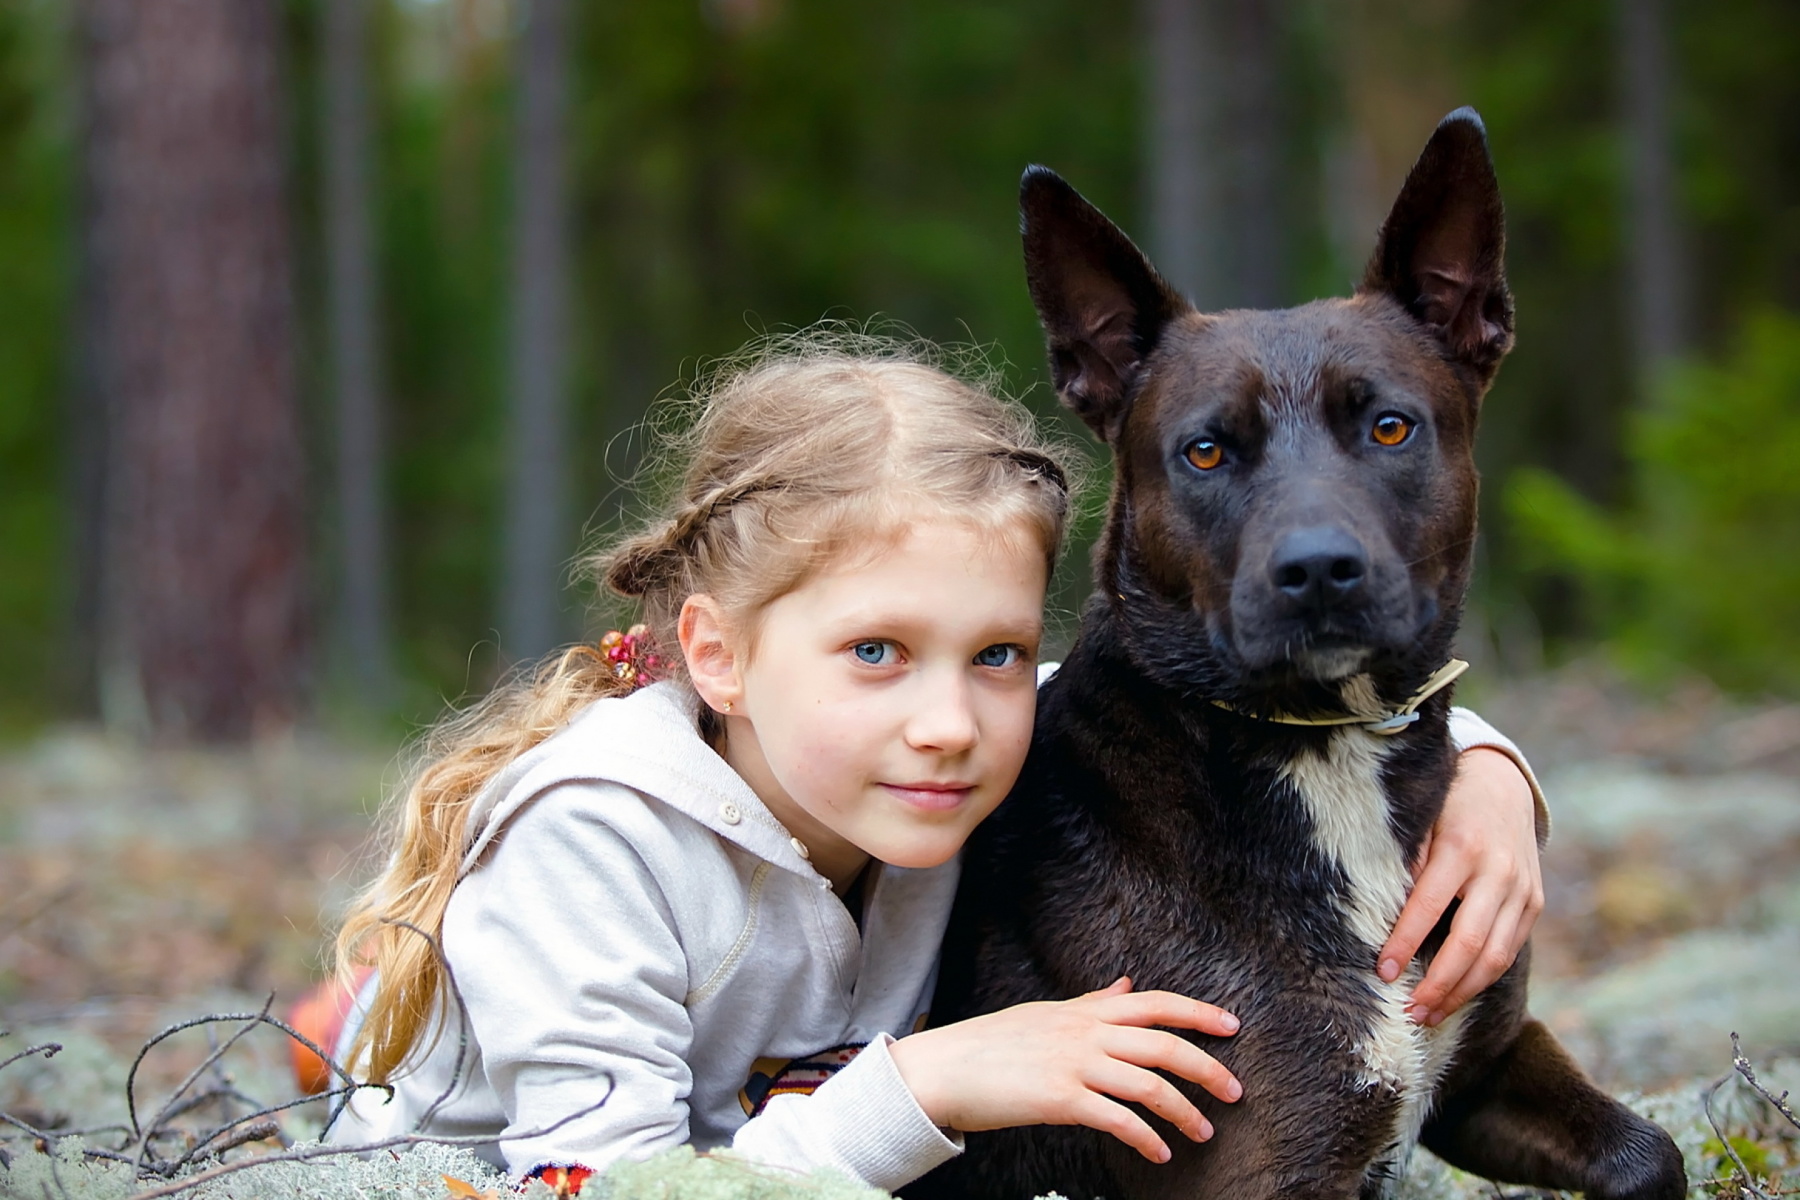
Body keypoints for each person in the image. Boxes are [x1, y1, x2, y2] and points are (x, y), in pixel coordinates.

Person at [314, 336, 1548, 1195]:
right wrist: (928, 1082)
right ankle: (371, 1025)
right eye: (876, 651)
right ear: (720, 656)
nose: (950, 721)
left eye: (998, 652)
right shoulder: (598, 846)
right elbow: (596, 1191)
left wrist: (1490, 773)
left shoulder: (936, 762)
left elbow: (1212, 706)